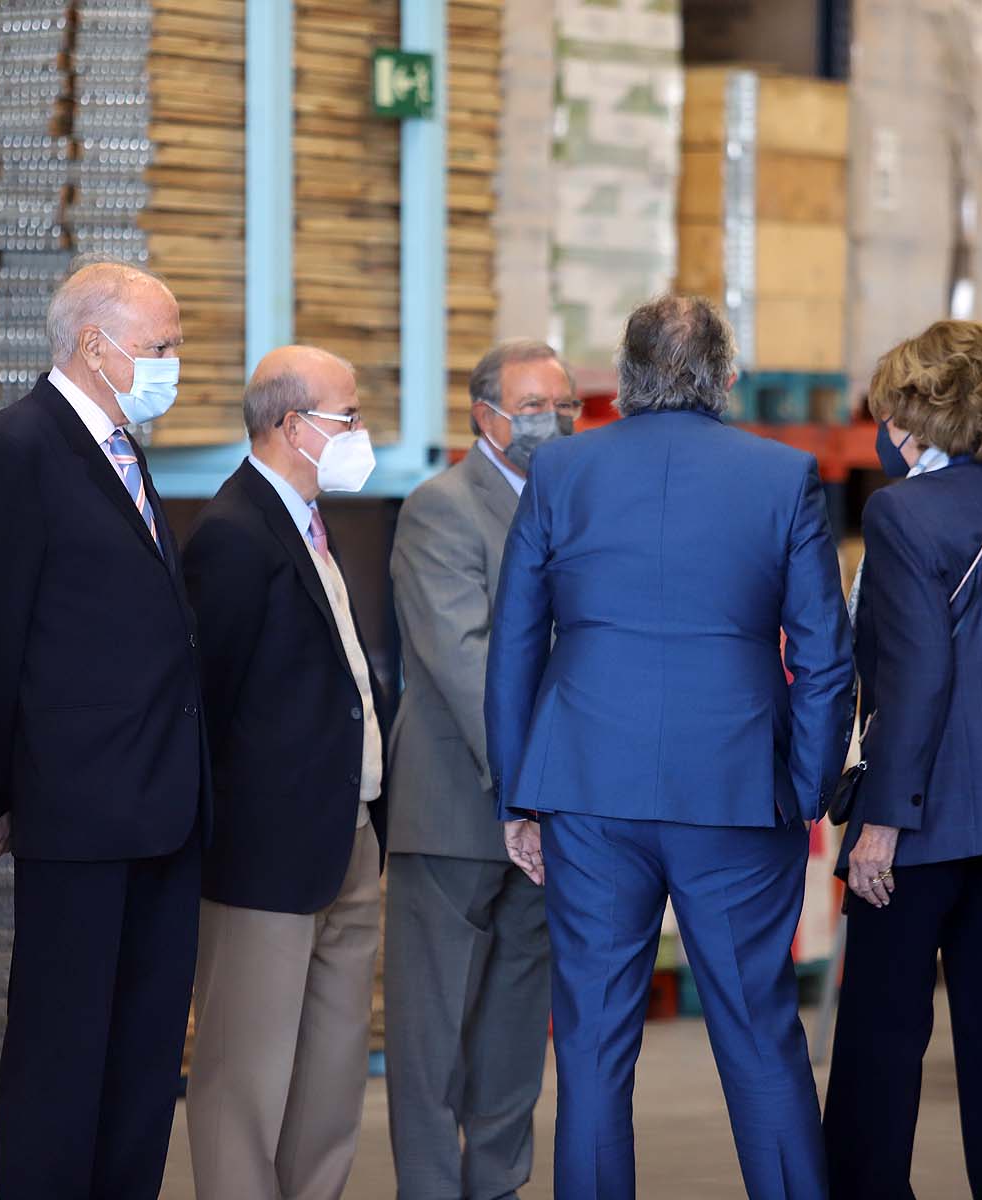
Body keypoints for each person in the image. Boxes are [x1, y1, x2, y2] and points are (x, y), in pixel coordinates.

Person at [484, 295, 854, 1199]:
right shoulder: (782, 476)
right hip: (734, 791)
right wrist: (803, 787)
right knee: (761, 1036)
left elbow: (515, 646)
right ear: (726, 379)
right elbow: (825, 654)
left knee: (593, 1050)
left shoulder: (561, 471)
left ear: (626, 377)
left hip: (588, 787)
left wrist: (518, 796)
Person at [0, 258, 207, 1198]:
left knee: (141, 1055)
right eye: (162, 347)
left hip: (162, 805)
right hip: (81, 806)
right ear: (95, 346)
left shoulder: (122, 449)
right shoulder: (23, 447)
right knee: (65, 1048)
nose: (176, 364)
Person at [821, 320, 982, 1199]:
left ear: (918, 415)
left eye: (893, 408)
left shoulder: (898, 513)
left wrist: (879, 823)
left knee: (881, 1041)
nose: (885, 426)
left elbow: (919, 675)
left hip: (920, 818)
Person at [181, 345, 389, 1200]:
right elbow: (210, 703)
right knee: (246, 1071)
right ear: (294, 426)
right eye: (348, 417)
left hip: (348, 832)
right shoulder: (234, 534)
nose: (361, 433)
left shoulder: (307, 523)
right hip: (266, 853)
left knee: (332, 1069)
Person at [383, 339, 576, 1198]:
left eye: (564, 405)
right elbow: (466, 663)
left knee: (509, 1036)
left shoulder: (570, 503)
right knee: (432, 1040)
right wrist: (527, 791)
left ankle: (495, 1188)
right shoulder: (442, 508)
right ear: (485, 414)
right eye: (535, 406)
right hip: (463, 811)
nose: (554, 421)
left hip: (545, 816)